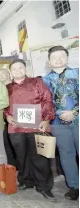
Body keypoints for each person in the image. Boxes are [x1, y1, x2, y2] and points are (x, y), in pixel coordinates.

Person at [5, 59, 56, 201]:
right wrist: (7, 116)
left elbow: (47, 100)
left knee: (40, 157)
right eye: (14, 69)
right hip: (16, 127)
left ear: (25, 68)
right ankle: (26, 181)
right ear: (10, 72)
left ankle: (44, 187)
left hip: (37, 126)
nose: (17, 70)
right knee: (21, 157)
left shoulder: (37, 83)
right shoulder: (7, 87)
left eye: (20, 67)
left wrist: (46, 119)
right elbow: (4, 106)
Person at [43, 46, 79, 201]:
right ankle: (74, 186)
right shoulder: (44, 81)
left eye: (61, 55)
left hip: (78, 120)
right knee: (67, 155)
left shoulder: (77, 73)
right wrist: (59, 114)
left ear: (67, 57)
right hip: (57, 123)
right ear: (49, 62)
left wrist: (74, 112)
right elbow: (45, 102)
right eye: (54, 57)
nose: (58, 59)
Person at [0, 68, 17, 169]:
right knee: (7, 143)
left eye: (2, 73)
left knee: (16, 144)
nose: (0, 76)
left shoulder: (14, 86)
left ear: (8, 74)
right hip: (4, 118)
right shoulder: (0, 88)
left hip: (15, 117)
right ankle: (12, 167)